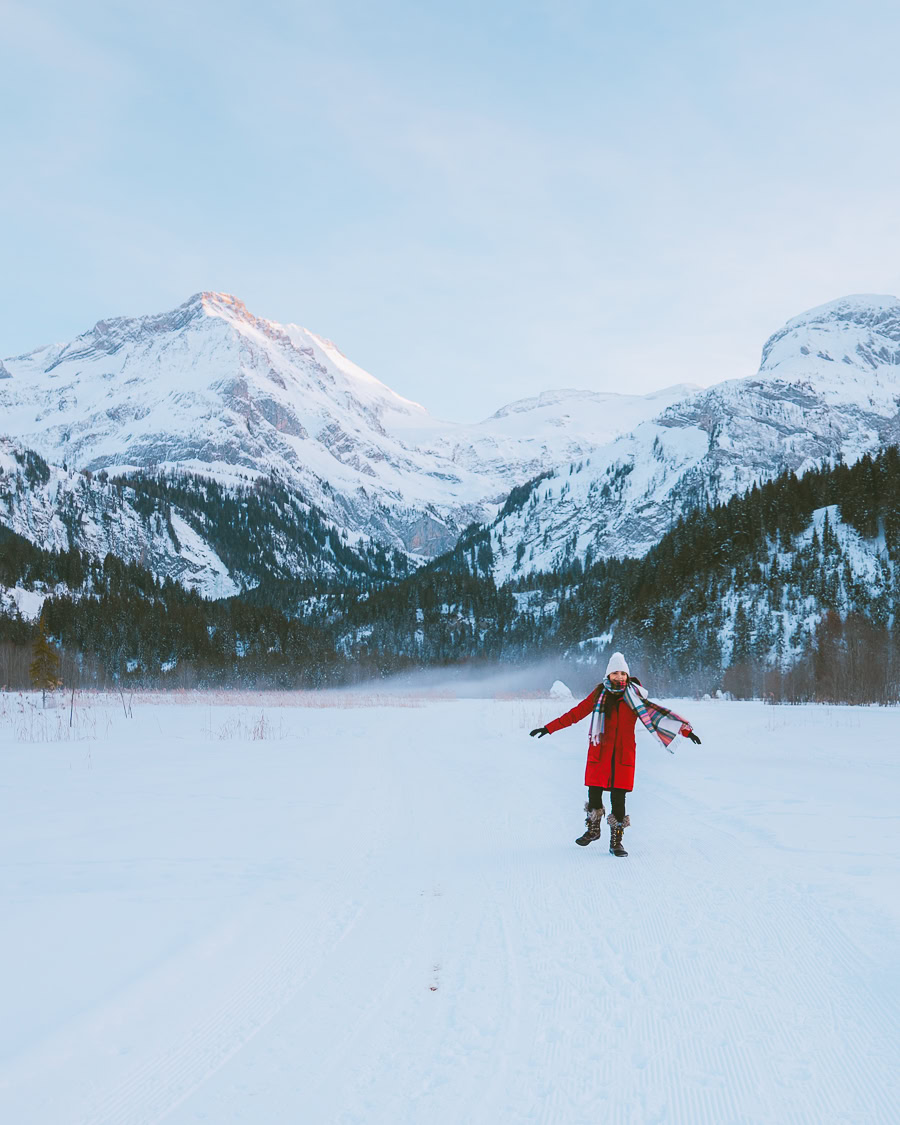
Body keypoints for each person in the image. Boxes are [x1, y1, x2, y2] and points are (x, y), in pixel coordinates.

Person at [530, 652, 700, 857]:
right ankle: (593, 830)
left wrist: (686, 731)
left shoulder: (635, 698)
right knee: (594, 794)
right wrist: (548, 728)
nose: (619, 677)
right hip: (599, 753)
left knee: (618, 799)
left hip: (623, 757)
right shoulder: (598, 695)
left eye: (622, 673)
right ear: (608, 675)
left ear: (627, 675)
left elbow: (657, 717)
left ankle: (616, 841)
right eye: (615, 673)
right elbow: (575, 714)